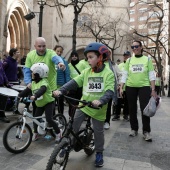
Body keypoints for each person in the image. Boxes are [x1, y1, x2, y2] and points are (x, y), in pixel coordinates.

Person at [53, 42, 115, 167]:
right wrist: (61, 90)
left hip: (98, 108)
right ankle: (67, 145)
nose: (88, 60)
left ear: (101, 58)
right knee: (73, 125)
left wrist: (101, 101)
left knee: (98, 132)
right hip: (85, 105)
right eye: (87, 57)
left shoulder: (108, 73)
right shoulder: (87, 71)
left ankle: (99, 152)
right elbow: (75, 81)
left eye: (91, 57)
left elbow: (109, 91)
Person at [120, 40, 156, 142]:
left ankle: (146, 132)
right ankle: (134, 129)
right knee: (132, 108)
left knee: (145, 109)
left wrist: (153, 89)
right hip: (130, 86)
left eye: (136, 46)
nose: (134, 48)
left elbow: (151, 74)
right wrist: (121, 86)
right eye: (133, 47)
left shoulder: (147, 59)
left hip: (144, 86)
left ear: (141, 47)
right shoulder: (129, 60)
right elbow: (125, 74)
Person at [18, 63, 62, 142]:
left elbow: (42, 89)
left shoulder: (44, 82)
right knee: (35, 118)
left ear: (38, 74)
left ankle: (59, 132)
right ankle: (36, 133)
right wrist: (18, 95)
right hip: (40, 104)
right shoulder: (33, 83)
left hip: (49, 102)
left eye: (33, 73)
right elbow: (26, 91)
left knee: (49, 119)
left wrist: (35, 96)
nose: (31, 74)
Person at [23, 37, 65, 116]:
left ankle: (51, 126)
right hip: (37, 87)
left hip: (50, 88)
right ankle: (35, 128)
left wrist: (60, 63)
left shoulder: (50, 53)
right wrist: (28, 82)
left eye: (44, 46)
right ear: (35, 46)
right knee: (36, 109)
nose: (42, 49)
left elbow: (56, 58)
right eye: (39, 46)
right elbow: (27, 70)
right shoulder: (30, 55)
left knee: (50, 112)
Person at [112, 51, 131, 121]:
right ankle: (117, 115)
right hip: (120, 87)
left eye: (127, 56)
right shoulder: (119, 65)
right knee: (118, 101)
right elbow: (117, 75)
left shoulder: (131, 65)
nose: (126, 57)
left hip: (129, 86)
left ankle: (126, 115)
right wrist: (118, 85)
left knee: (127, 102)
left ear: (130, 56)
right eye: (125, 56)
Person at [53, 45, 70, 114]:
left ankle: (60, 117)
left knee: (60, 103)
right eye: (57, 51)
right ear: (54, 51)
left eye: (60, 52)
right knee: (52, 103)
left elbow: (67, 74)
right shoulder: (51, 60)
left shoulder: (64, 61)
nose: (59, 53)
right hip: (52, 85)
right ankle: (52, 118)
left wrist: (67, 86)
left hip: (61, 85)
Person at [68, 51, 84, 117]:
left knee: (79, 102)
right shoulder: (68, 65)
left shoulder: (82, 64)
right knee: (71, 103)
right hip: (72, 87)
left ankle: (77, 117)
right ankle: (71, 116)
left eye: (75, 56)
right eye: (73, 56)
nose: (74, 57)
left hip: (80, 86)